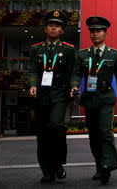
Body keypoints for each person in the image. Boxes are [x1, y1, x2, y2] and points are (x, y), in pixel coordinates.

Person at [70, 16, 117, 184]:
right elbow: (76, 74)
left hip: (106, 99)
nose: (95, 34)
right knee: (94, 136)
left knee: (105, 132)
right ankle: (99, 166)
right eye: (92, 31)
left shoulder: (114, 55)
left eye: (98, 31)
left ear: (105, 33)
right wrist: (74, 87)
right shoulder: (82, 55)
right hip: (89, 99)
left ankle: (107, 166)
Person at [26, 10, 75, 183]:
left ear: (62, 31)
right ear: (45, 29)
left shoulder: (68, 50)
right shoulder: (35, 49)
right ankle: (47, 170)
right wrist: (32, 84)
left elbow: (72, 73)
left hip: (59, 95)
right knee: (42, 133)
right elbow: (31, 69)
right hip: (41, 96)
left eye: (58, 26)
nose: (54, 28)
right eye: (51, 25)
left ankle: (59, 164)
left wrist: (73, 90)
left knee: (56, 126)